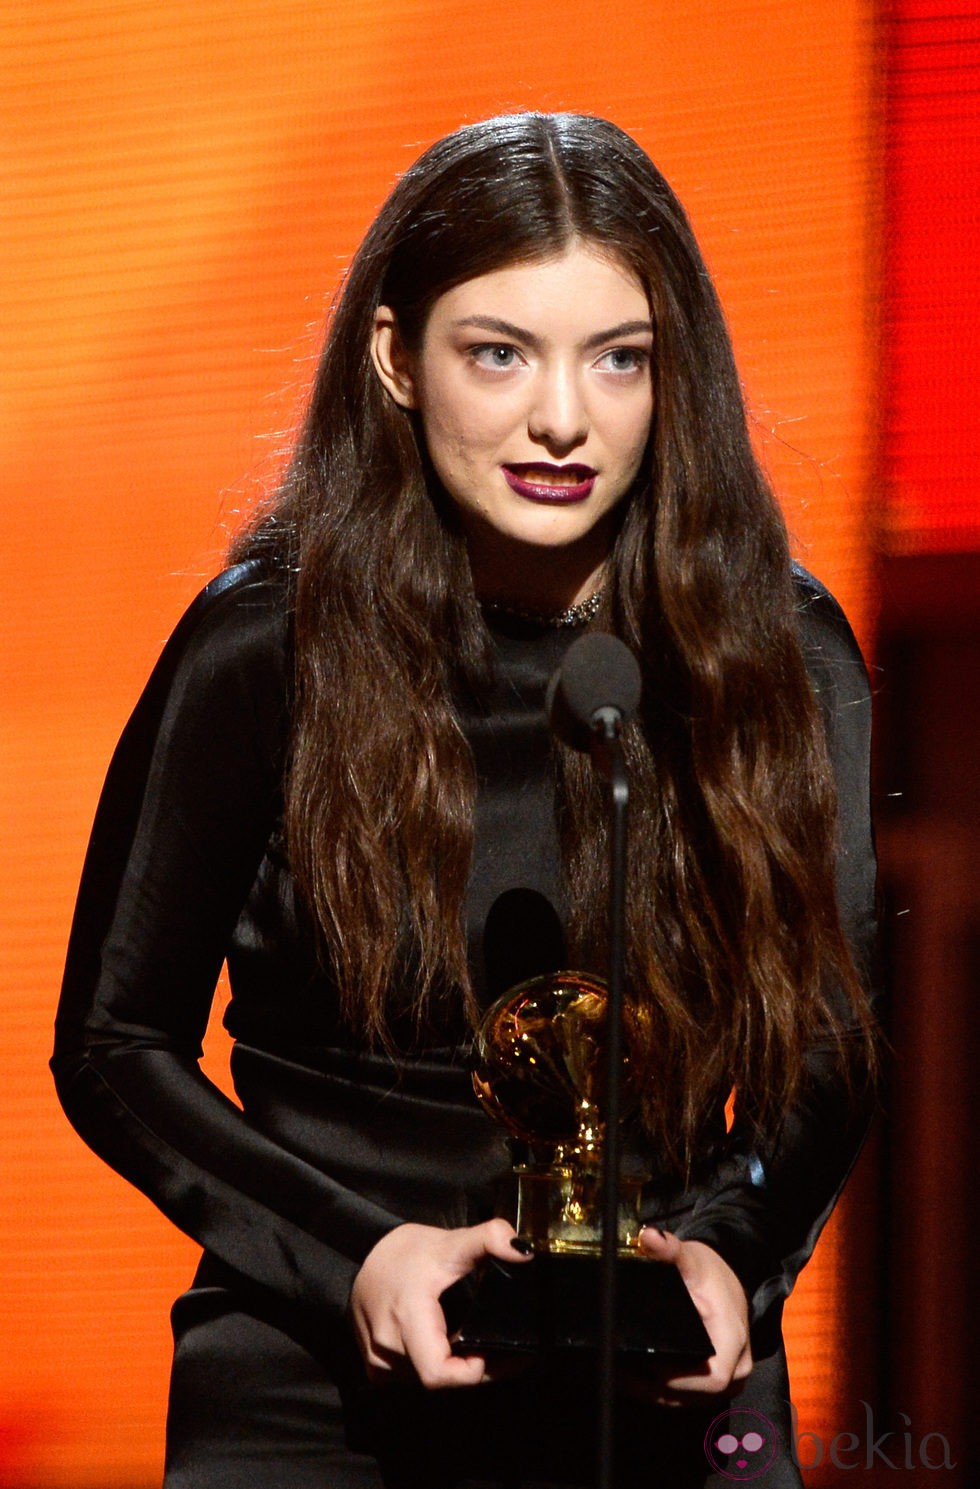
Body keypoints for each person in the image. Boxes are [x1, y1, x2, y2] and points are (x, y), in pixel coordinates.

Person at [53, 112, 878, 1489]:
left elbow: (830, 1053)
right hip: (315, 1374)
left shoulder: (780, 655)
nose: (563, 415)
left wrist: (734, 1253)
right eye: (500, 352)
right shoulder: (268, 646)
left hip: (666, 1365)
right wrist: (357, 1253)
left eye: (620, 359)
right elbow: (115, 1042)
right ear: (396, 357)